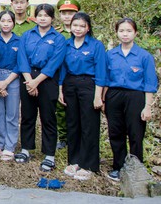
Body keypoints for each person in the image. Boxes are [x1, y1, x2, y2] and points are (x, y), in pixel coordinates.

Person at [103, 18, 158, 182]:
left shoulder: (144, 56)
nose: (125, 34)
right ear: (116, 33)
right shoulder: (110, 54)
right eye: (121, 31)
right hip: (114, 95)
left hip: (135, 96)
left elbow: (150, 83)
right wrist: (103, 99)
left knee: (135, 133)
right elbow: (105, 79)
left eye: (128, 31)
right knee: (115, 132)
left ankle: (135, 168)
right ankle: (118, 167)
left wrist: (147, 107)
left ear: (135, 33)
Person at [15, 4, 65, 172]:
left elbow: (54, 63)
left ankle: (49, 154)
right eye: (40, 15)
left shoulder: (58, 38)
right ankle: (26, 149)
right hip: (28, 77)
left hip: (47, 80)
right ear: (35, 17)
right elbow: (21, 58)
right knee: (28, 116)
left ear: (52, 18)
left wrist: (36, 82)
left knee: (48, 118)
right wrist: (29, 81)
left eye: (46, 15)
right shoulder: (27, 35)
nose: (43, 18)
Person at [59, 12, 106, 181]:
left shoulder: (96, 45)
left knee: (89, 125)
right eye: (75, 25)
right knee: (73, 123)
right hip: (70, 84)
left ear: (88, 28)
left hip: (89, 85)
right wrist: (60, 90)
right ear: (70, 27)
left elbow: (101, 71)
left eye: (81, 26)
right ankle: (74, 160)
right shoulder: (66, 44)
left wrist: (98, 96)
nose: (78, 29)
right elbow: (62, 69)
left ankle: (89, 164)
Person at [0, 10, 21, 161]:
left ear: (13, 23)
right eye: (3, 21)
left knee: (12, 114)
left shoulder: (19, 41)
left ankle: (10, 146)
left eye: (9, 21)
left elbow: (20, 64)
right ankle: (0, 143)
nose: (6, 24)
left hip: (13, 78)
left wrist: (6, 82)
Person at [54, 0, 80, 150]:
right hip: (59, 75)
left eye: (71, 13)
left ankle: (76, 136)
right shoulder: (58, 34)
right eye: (64, 13)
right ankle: (63, 137)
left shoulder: (82, 30)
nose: (67, 16)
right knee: (61, 108)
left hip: (77, 76)